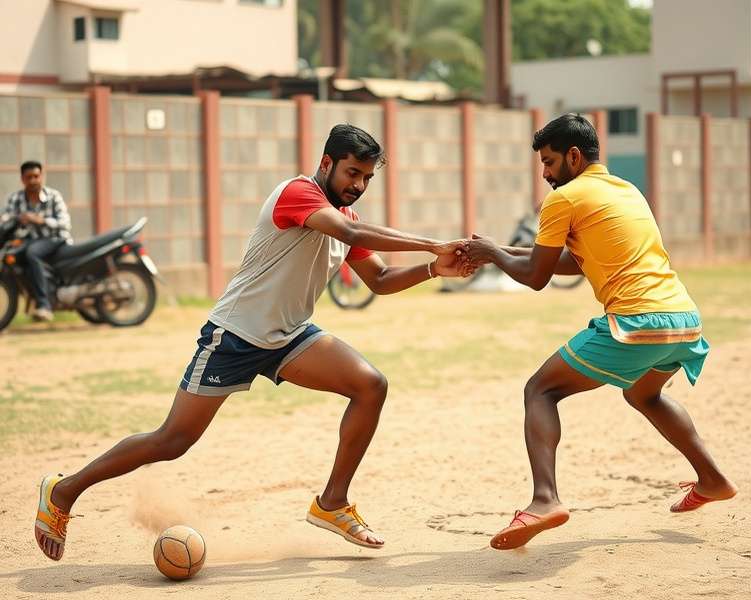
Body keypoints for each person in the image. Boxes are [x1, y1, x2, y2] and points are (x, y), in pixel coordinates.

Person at [34, 124, 466, 561]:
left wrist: (434, 271)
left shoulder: (346, 220)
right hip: (234, 336)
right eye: (352, 173)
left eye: (367, 178)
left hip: (290, 336)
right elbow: (351, 235)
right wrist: (432, 245)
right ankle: (63, 490)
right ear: (326, 164)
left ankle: (332, 502)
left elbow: (382, 279)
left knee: (371, 385)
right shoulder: (298, 194)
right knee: (173, 439)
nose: (358, 186)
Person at [464, 114, 737, 551]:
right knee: (644, 394)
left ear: (574, 156)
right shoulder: (627, 190)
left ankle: (544, 500)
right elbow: (575, 260)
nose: (545, 173)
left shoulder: (564, 199)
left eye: (550, 162)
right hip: (684, 318)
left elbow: (537, 276)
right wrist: (496, 251)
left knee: (540, 390)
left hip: (637, 322)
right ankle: (713, 478)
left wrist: (493, 251)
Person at [2, 160, 72, 321]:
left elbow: (65, 223)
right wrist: (17, 218)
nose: (33, 180)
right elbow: (6, 217)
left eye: (36, 176)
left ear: (42, 177)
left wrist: (41, 220)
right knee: (19, 255)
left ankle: (44, 305)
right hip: (30, 240)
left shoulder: (53, 196)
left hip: (55, 239)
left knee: (32, 253)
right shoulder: (16, 199)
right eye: (29, 177)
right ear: (22, 179)